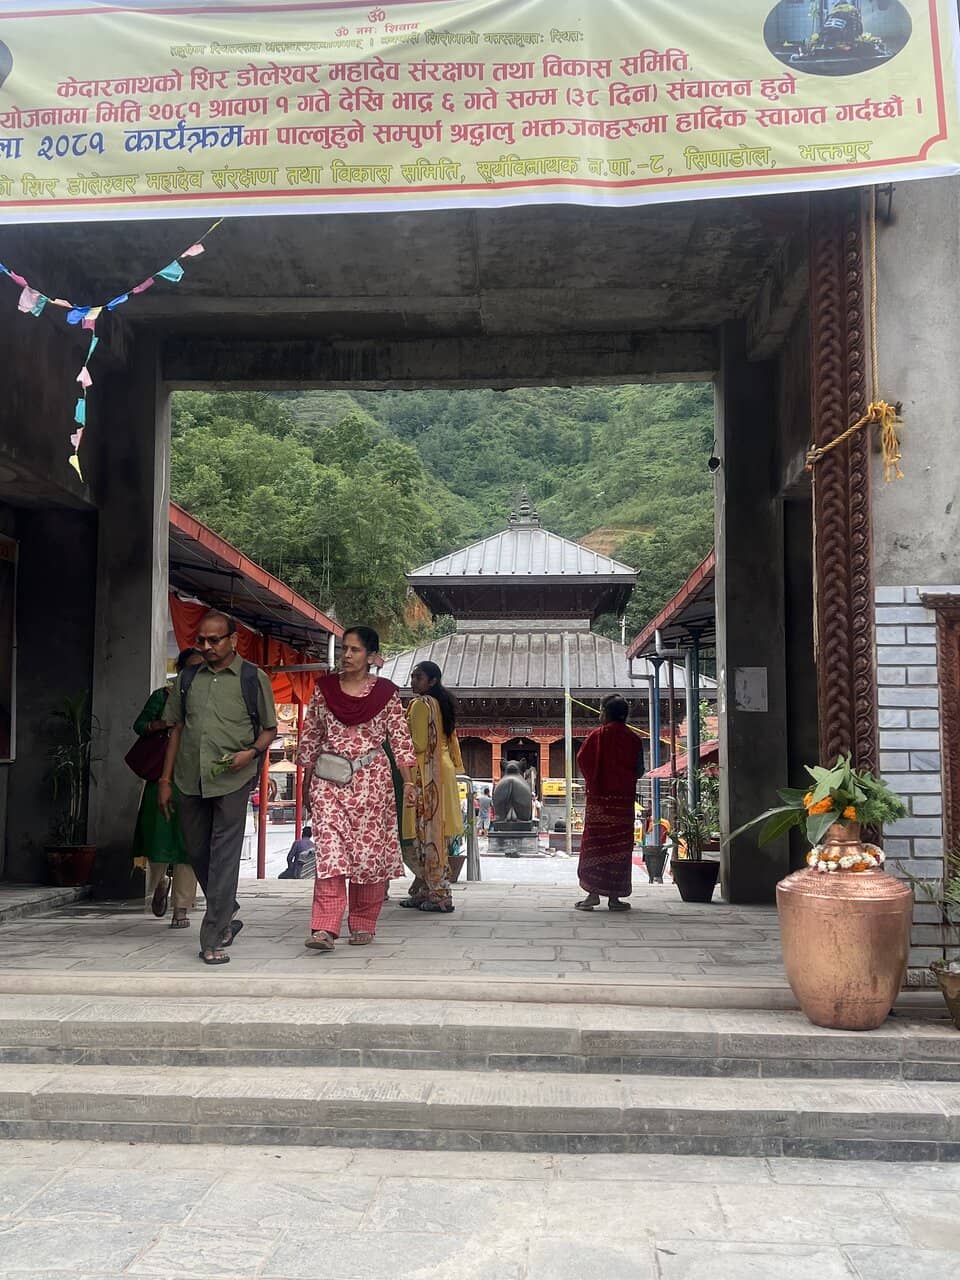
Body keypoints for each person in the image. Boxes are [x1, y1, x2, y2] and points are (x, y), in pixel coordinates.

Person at [159, 610, 278, 965]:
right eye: (201, 641)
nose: (207, 647)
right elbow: (176, 729)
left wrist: (251, 754)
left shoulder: (253, 679)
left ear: (233, 640)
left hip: (233, 778)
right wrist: (165, 781)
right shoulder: (187, 679)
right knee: (197, 851)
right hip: (188, 777)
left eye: (214, 640)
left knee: (224, 856)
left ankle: (213, 937)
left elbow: (269, 729)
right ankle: (226, 908)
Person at [297, 626, 417, 952]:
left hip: (373, 783)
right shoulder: (324, 691)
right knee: (330, 855)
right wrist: (306, 779)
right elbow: (310, 736)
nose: (346, 656)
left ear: (371, 656)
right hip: (328, 781)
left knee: (368, 857)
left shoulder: (386, 694)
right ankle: (324, 928)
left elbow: (401, 741)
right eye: (344, 649)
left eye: (354, 650)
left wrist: (409, 783)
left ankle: (363, 922)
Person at [131, 648, 203, 929]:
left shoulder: (208, 700)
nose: (198, 673)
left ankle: (181, 908)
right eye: (193, 668)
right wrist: (163, 724)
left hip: (193, 779)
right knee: (158, 839)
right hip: (161, 777)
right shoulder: (162, 696)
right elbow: (139, 726)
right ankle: (159, 883)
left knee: (189, 845)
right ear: (180, 670)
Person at [399, 661, 464, 913]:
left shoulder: (420, 704)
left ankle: (438, 891)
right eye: (413, 677)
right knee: (435, 832)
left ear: (432, 681)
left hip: (424, 773)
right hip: (442, 770)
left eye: (419, 677)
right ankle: (425, 888)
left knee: (420, 833)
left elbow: (417, 743)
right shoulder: (441, 704)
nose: (413, 682)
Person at [574, 695, 644, 913]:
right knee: (620, 849)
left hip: (599, 804)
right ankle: (615, 898)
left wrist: (596, 780)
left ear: (606, 712)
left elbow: (582, 760)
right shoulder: (634, 739)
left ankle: (592, 895)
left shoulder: (597, 736)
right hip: (623, 806)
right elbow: (639, 770)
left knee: (594, 847)